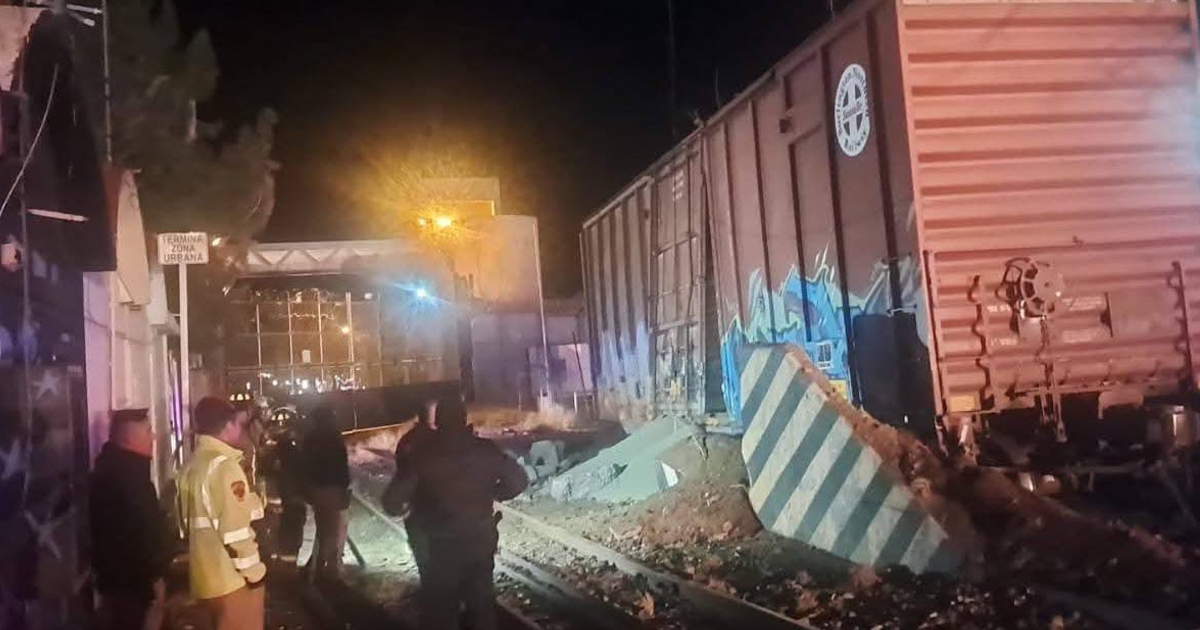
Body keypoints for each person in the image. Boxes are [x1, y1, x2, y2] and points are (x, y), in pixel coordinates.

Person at [391, 394, 528, 630]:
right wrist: (495, 493)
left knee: (443, 611)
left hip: (442, 547)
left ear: (438, 421)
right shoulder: (486, 449)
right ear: (465, 419)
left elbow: (392, 502)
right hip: (480, 542)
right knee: (482, 607)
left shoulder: (422, 454)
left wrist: (418, 501)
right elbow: (518, 480)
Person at [176, 397, 267, 630]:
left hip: (203, 581)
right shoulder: (225, 468)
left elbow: (184, 524)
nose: (240, 428)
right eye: (237, 424)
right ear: (227, 426)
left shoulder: (191, 466)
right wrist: (255, 574)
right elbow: (235, 532)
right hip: (231, 582)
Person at [90, 409, 172, 630]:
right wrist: (155, 576)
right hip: (134, 585)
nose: (153, 437)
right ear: (129, 438)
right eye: (148, 431)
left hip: (120, 582)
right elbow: (142, 530)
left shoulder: (114, 470)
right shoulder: (129, 479)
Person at [301, 405, 350, 582]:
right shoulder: (334, 438)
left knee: (324, 529)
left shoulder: (310, 439)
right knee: (336, 530)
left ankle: (320, 566)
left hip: (317, 490)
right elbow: (342, 465)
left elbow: (304, 466)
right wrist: (344, 487)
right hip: (333, 489)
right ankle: (331, 569)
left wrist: (308, 490)